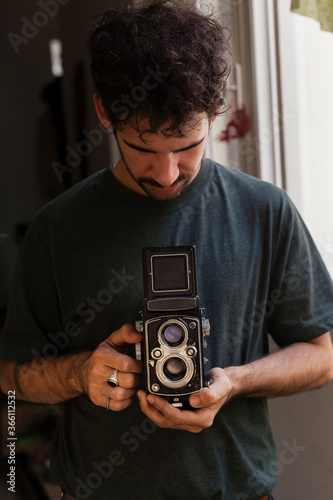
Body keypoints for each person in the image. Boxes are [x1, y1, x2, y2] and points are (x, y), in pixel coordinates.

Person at [1, 1, 333, 499]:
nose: (167, 173)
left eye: (188, 145)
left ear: (215, 107)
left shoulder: (265, 211)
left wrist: (236, 381)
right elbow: (10, 378)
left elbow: (322, 356)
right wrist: (79, 371)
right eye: (142, 148)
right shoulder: (57, 229)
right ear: (103, 111)